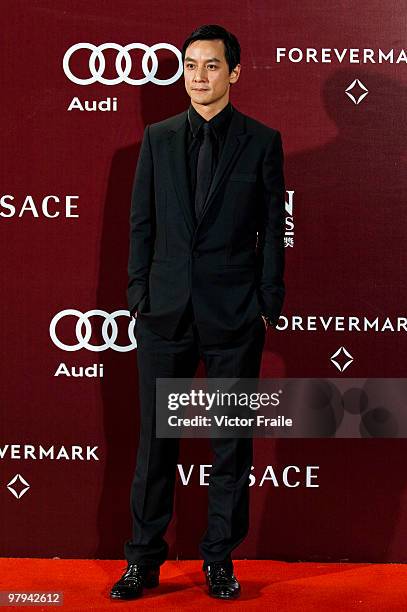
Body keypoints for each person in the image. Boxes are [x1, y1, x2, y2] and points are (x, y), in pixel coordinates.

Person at [110, 23, 285, 601]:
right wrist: (139, 299)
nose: (198, 77)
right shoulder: (157, 138)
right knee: (155, 443)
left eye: (211, 66)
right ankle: (143, 561)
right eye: (190, 66)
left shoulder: (262, 141)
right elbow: (141, 226)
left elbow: (273, 233)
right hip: (164, 314)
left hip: (235, 315)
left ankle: (219, 561)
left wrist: (267, 303)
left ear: (233, 73)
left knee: (231, 443)